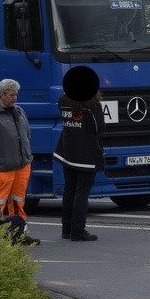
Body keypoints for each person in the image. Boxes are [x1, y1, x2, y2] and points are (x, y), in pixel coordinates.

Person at [0, 79, 36, 239]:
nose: (15, 98)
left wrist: (27, 156)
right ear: (2, 95)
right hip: (2, 168)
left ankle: (20, 233)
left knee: (18, 202)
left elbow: (26, 135)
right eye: (11, 95)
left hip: (22, 166)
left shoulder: (19, 111)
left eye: (16, 94)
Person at [54, 90, 105, 241]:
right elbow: (99, 128)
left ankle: (67, 229)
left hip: (67, 151)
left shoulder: (63, 100)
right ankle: (78, 230)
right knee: (82, 193)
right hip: (86, 154)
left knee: (69, 190)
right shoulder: (92, 105)